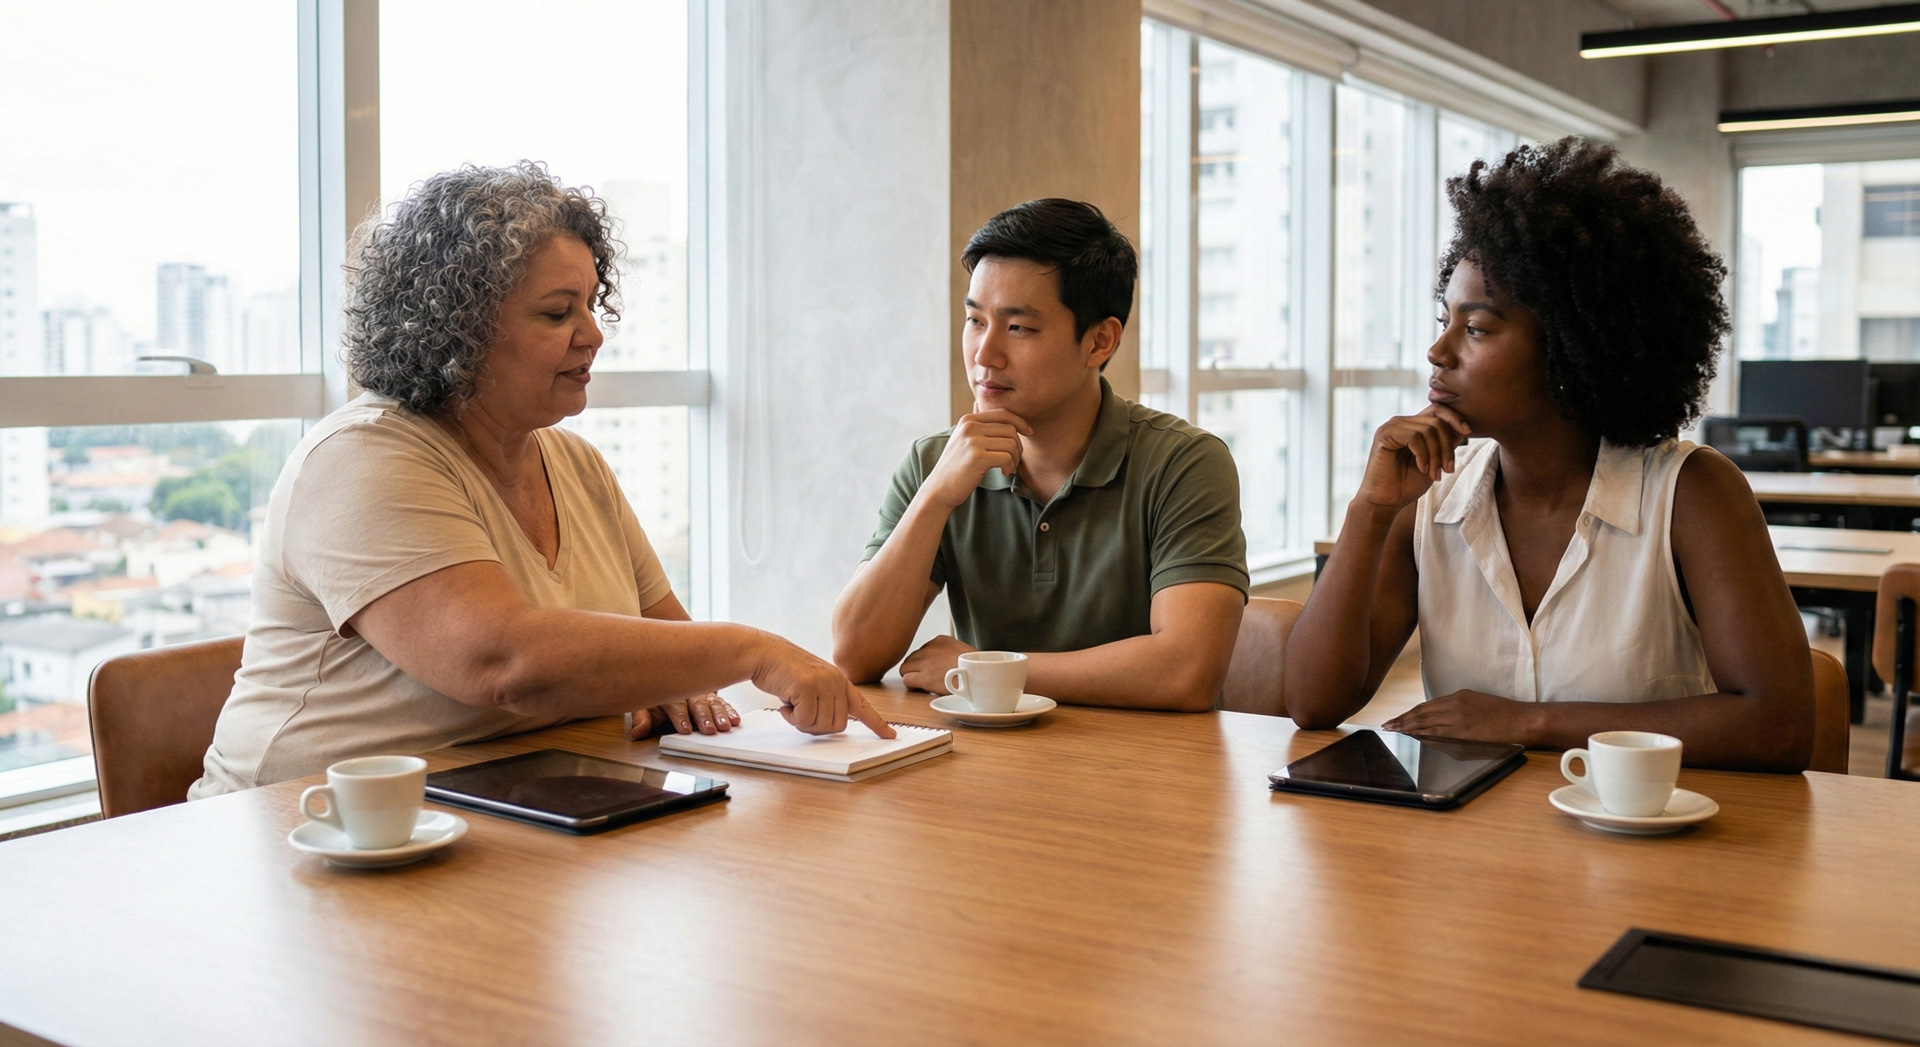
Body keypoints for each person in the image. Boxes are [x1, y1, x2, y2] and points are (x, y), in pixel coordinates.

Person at [190, 163, 890, 798]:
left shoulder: (576, 465)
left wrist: (673, 679)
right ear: (455, 329)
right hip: (293, 836)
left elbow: (666, 647)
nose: (593, 334)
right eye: (559, 312)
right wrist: (754, 649)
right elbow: (503, 661)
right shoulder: (361, 458)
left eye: (591, 304)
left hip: (501, 816)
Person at [1284, 138, 1812, 772]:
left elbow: (1778, 725)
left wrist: (1528, 722)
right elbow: (1312, 702)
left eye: (1475, 328)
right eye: (1443, 319)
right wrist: (1369, 511)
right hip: (1479, 845)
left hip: (1653, 851)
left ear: (1572, 349)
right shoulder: (1428, 494)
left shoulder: (1694, 494)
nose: (1438, 352)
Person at [831, 199, 1248, 712]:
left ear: (1099, 341)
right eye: (975, 320)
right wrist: (934, 498)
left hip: (1145, 773)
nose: (984, 355)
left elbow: (1187, 671)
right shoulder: (935, 463)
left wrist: (983, 669)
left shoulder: (1185, 463)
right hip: (987, 768)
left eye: (1018, 328)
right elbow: (853, 655)